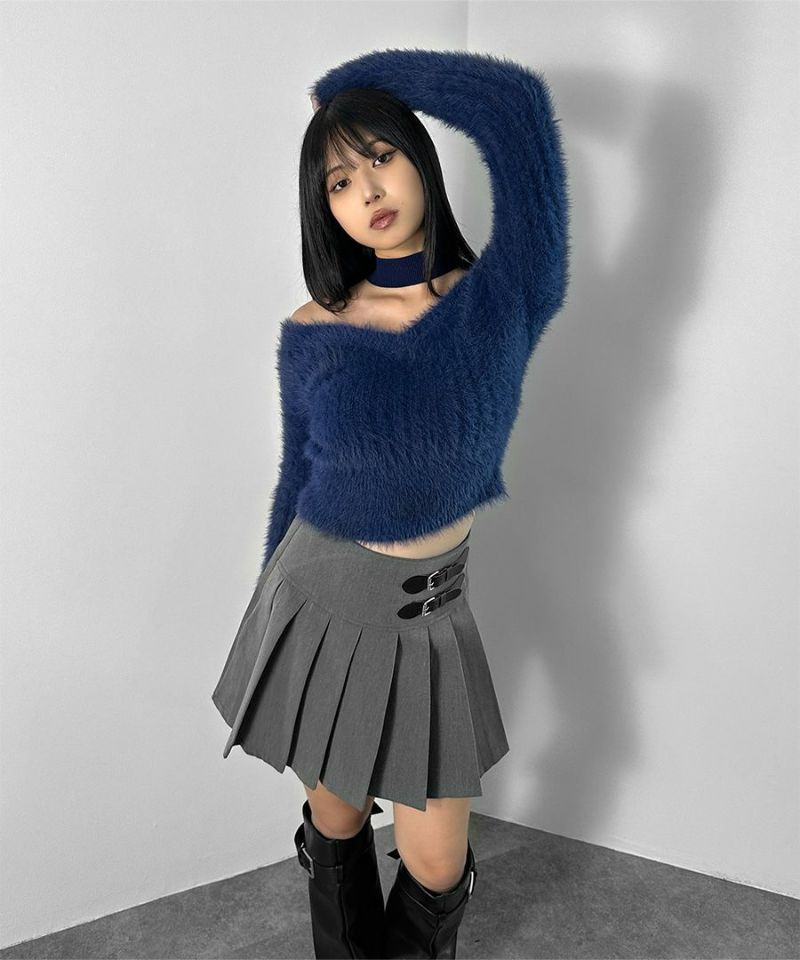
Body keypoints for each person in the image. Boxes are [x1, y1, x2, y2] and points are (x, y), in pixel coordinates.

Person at [212, 47, 570, 959]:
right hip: (322, 600)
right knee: (337, 818)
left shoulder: (502, 297)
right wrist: (268, 629)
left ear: (419, 159)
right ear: (322, 209)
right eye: (338, 181)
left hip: (433, 618)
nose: (366, 188)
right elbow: (295, 479)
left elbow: (515, 105)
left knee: (437, 862)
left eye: (381, 156)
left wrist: (356, 84)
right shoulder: (313, 330)